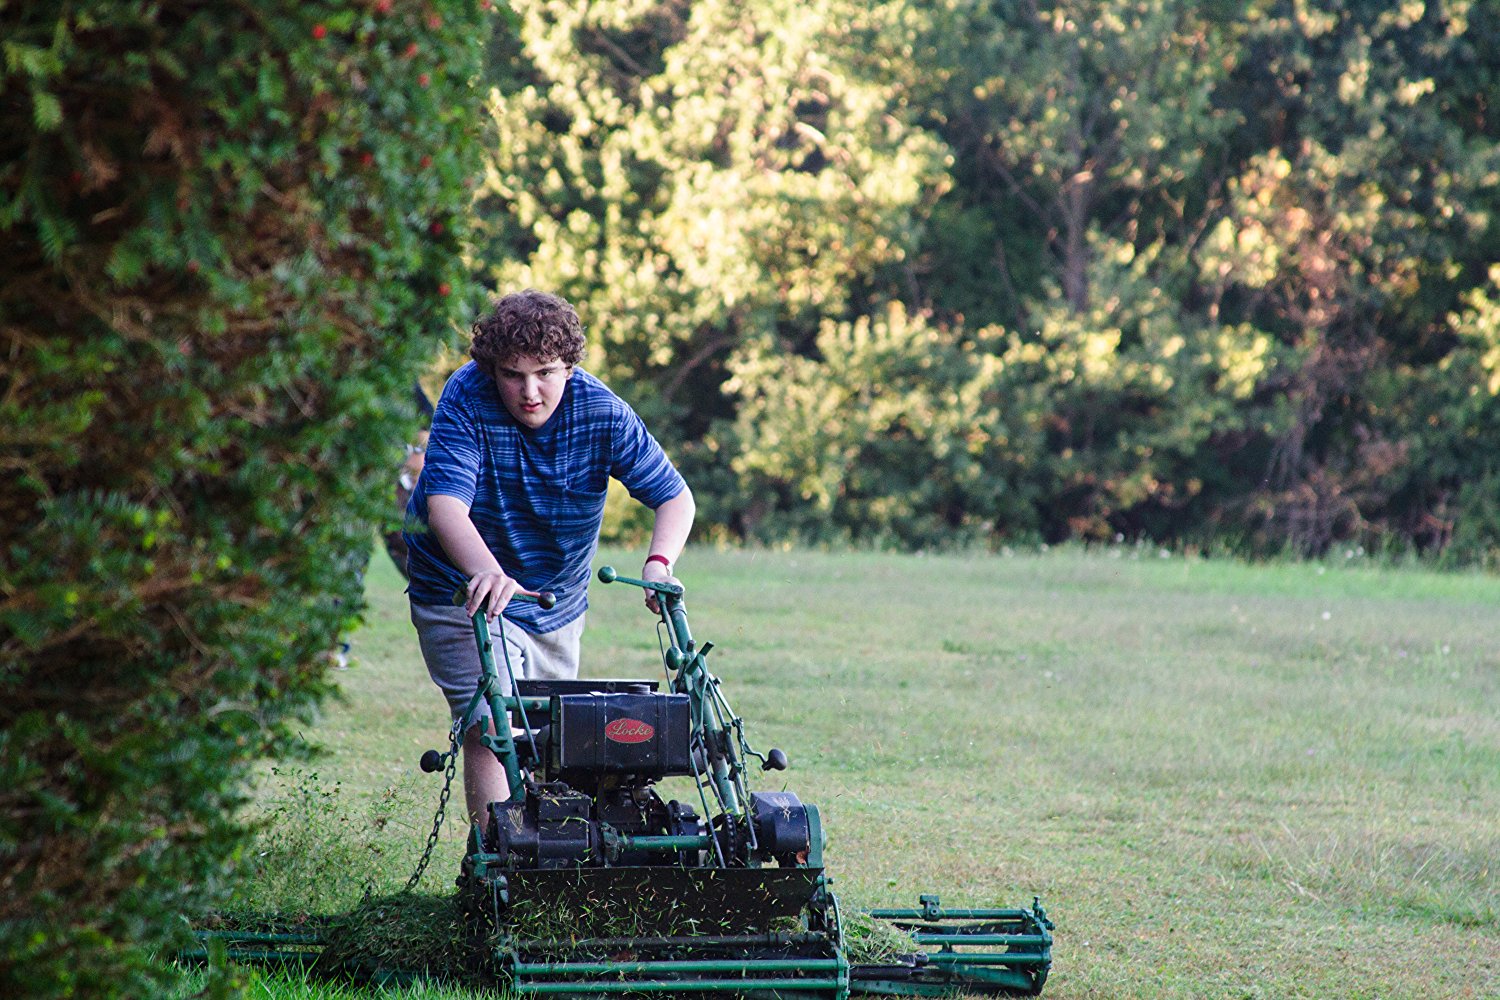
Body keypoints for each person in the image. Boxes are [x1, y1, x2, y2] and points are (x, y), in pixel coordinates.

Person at [402, 289, 695, 827]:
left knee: (550, 744)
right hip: (462, 587)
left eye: (545, 373)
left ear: (570, 366)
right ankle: (497, 874)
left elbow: (674, 496)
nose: (529, 391)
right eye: (513, 375)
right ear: (492, 369)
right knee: (494, 728)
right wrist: (486, 570)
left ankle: (549, 872)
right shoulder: (467, 395)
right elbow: (444, 506)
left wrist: (659, 563)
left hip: (555, 601)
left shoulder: (602, 412)